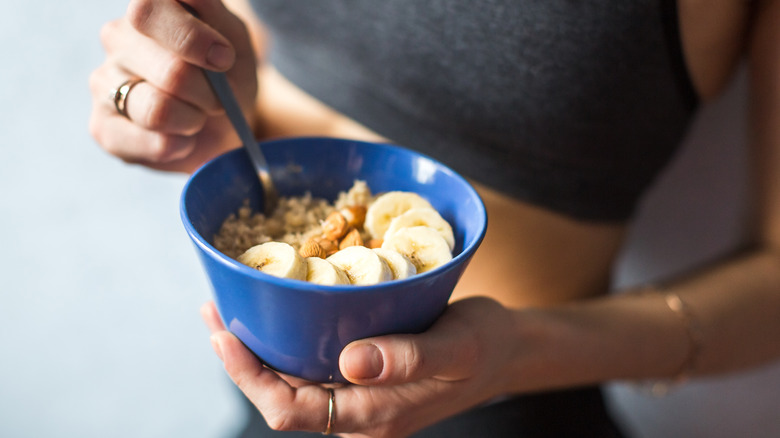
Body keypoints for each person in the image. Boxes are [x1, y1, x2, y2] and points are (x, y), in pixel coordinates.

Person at [89, 0, 780, 436]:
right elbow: (277, 57)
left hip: (509, 411)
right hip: (259, 400)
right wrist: (203, 109)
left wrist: (514, 355)